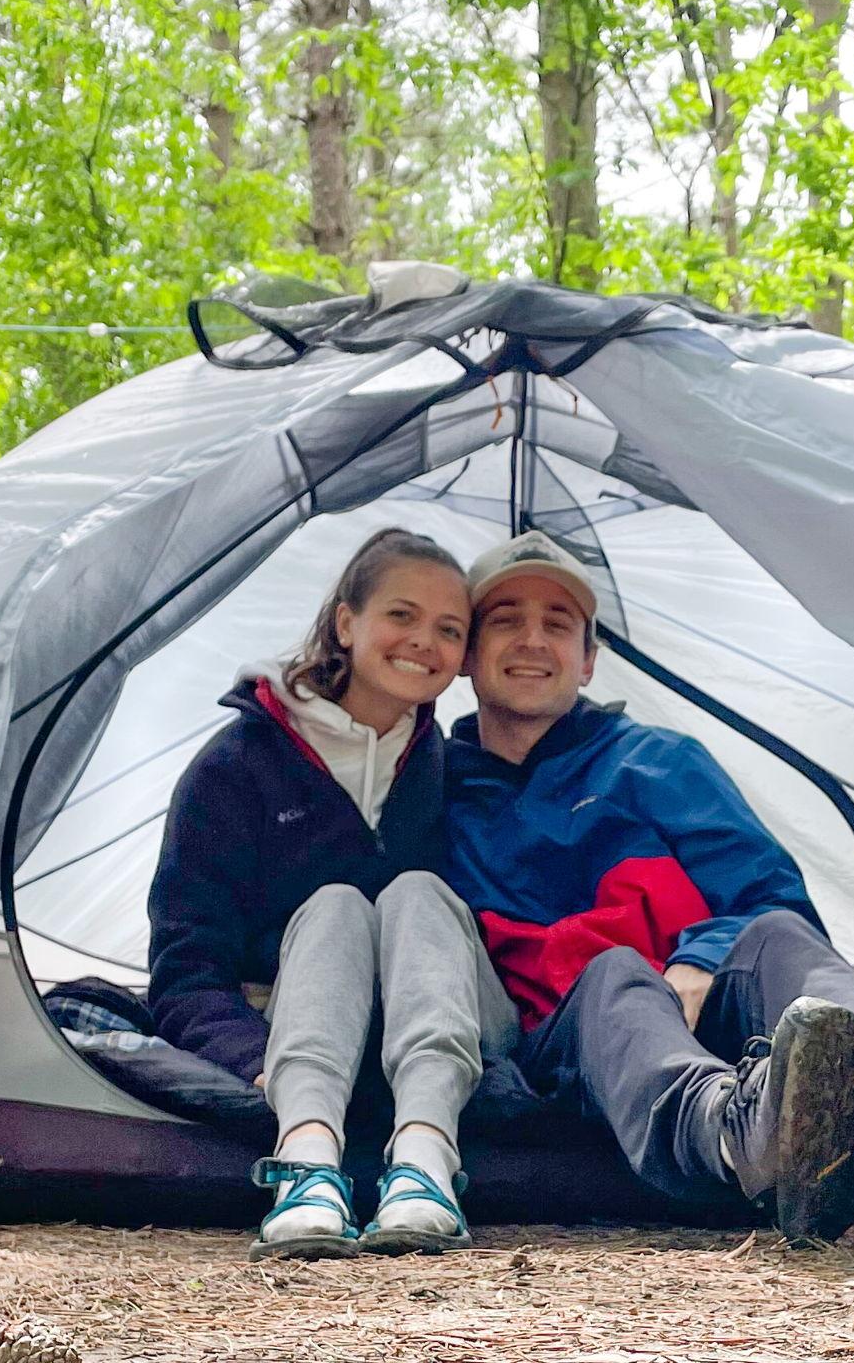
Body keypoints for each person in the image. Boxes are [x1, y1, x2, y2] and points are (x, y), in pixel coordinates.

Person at [444, 530, 854, 1250]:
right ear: (466, 655)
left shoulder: (656, 762)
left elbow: (768, 892)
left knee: (777, 935)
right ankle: (743, 1134)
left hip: (701, 1007)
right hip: (569, 1045)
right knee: (615, 971)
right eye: (505, 621)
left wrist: (698, 962)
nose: (532, 641)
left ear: (587, 661)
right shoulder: (431, 790)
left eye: (557, 625)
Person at [147, 527, 517, 1259]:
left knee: (416, 890)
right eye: (401, 615)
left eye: (450, 629)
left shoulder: (457, 770)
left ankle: (425, 1163)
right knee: (337, 904)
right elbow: (186, 967)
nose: (424, 642)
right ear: (346, 622)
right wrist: (256, 1058)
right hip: (309, 1039)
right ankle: (308, 1164)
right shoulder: (236, 768)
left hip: (450, 1021)